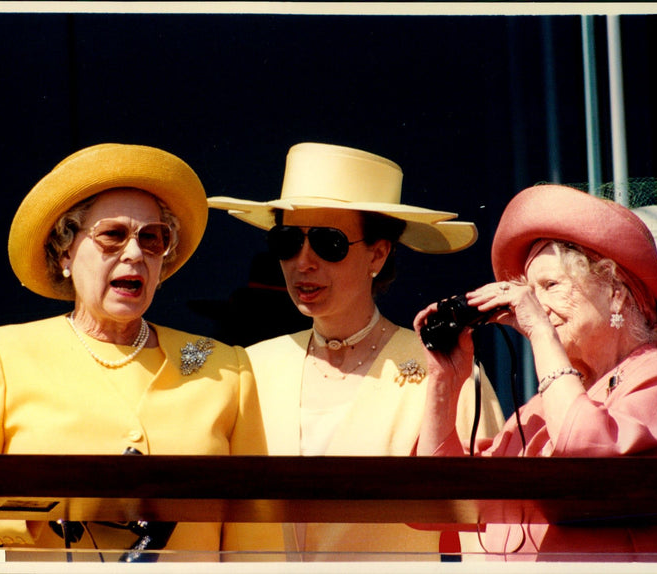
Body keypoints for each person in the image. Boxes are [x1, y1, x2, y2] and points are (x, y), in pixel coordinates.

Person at [0, 143, 276, 560]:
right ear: (65, 250)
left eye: (152, 239)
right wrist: (41, 513)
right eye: (112, 235)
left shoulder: (222, 366)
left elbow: (256, 533)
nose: (134, 253)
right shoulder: (5, 354)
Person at [208, 142, 506, 559]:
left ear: (378, 254)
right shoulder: (250, 368)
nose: (303, 262)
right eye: (287, 241)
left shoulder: (446, 371)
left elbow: (489, 535)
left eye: (328, 243)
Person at [414, 184, 657, 561]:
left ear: (615, 293)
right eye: (530, 293)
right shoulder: (537, 412)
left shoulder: (655, 376)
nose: (535, 306)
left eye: (550, 286)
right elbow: (433, 505)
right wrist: (444, 382)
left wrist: (540, 334)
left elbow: (584, 457)